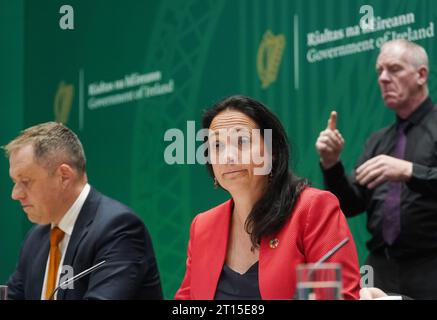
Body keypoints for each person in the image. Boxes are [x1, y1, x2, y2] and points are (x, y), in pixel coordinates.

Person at [175, 95, 360, 300]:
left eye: (242, 141)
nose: (228, 156)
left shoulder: (313, 209)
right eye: (217, 146)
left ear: (273, 152)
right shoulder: (202, 226)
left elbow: (341, 296)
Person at [315, 39, 437, 299]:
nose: (383, 78)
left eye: (394, 69)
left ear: (421, 75)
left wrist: (409, 171)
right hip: (380, 269)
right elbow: (351, 204)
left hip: (429, 266)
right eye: (379, 71)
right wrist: (331, 164)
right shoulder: (378, 140)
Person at [4, 122, 163, 300]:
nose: (15, 194)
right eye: (14, 182)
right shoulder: (35, 238)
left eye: (25, 181)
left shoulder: (118, 229)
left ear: (64, 176)